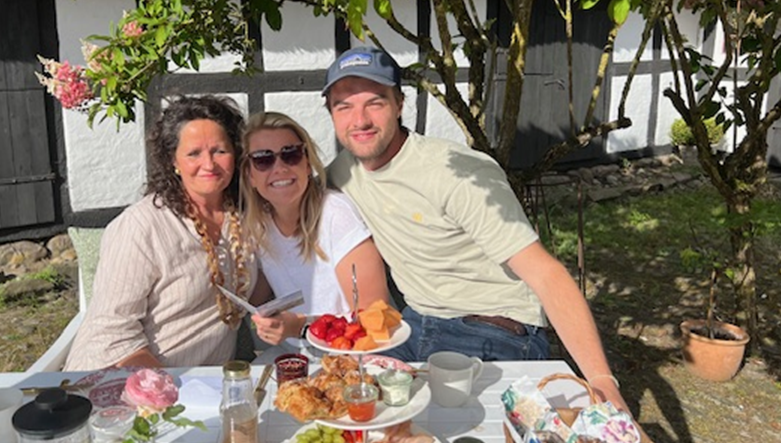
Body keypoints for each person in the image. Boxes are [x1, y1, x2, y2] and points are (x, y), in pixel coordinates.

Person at [322, 46, 626, 408]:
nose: (360, 120)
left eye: (375, 102)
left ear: (400, 104)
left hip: (491, 329)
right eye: (344, 106)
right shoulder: (342, 173)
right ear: (331, 114)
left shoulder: (456, 173)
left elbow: (546, 274)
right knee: (348, 406)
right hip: (411, 324)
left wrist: (603, 382)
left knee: (469, 440)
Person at [64, 95, 255, 371]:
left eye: (220, 151)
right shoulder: (141, 226)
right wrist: (161, 389)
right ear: (172, 160)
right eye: (194, 153)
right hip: (125, 378)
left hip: (206, 383)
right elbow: (112, 330)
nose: (209, 164)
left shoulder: (243, 216)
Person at [239, 111, 389, 350]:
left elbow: (374, 319)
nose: (279, 168)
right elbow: (259, 297)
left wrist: (300, 327)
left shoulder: (335, 215)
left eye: (291, 155)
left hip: (349, 358)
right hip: (293, 358)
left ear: (307, 164)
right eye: (263, 159)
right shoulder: (259, 224)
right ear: (250, 175)